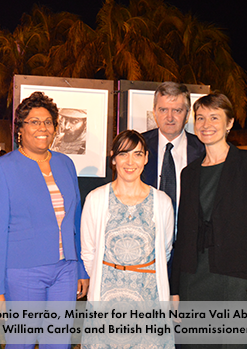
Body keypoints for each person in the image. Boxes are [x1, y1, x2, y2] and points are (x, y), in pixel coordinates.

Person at [0, 91, 89, 348]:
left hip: (65, 271)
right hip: (23, 272)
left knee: (59, 342)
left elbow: (74, 223)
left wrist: (80, 268)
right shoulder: (3, 168)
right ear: (20, 129)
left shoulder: (65, 164)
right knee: (22, 341)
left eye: (48, 122)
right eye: (34, 121)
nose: (42, 127)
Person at [170, 93, 247, 315]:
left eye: (214, 117)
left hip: (237, 280)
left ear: (229, 123)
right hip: (192, 279)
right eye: (200, 118)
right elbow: (183, 235)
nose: (206, 124)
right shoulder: (189, 173)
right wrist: (175, 290)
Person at [80, 130, 174, 347]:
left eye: (138, 154)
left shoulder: (162, 202)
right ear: (113, 158)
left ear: (146, 158)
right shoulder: (96, 199)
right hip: (106, 299)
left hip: (149, 299)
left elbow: (165, 249)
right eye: (124, 154)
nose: (130, 162)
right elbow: (88, 252)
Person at [141, 82, 205, 222]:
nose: (169, 117)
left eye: (177, 110)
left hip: (189, 236)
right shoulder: (139, 146)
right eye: (163, 110)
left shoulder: (203, 150)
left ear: (187, 114)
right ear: (155, 112)